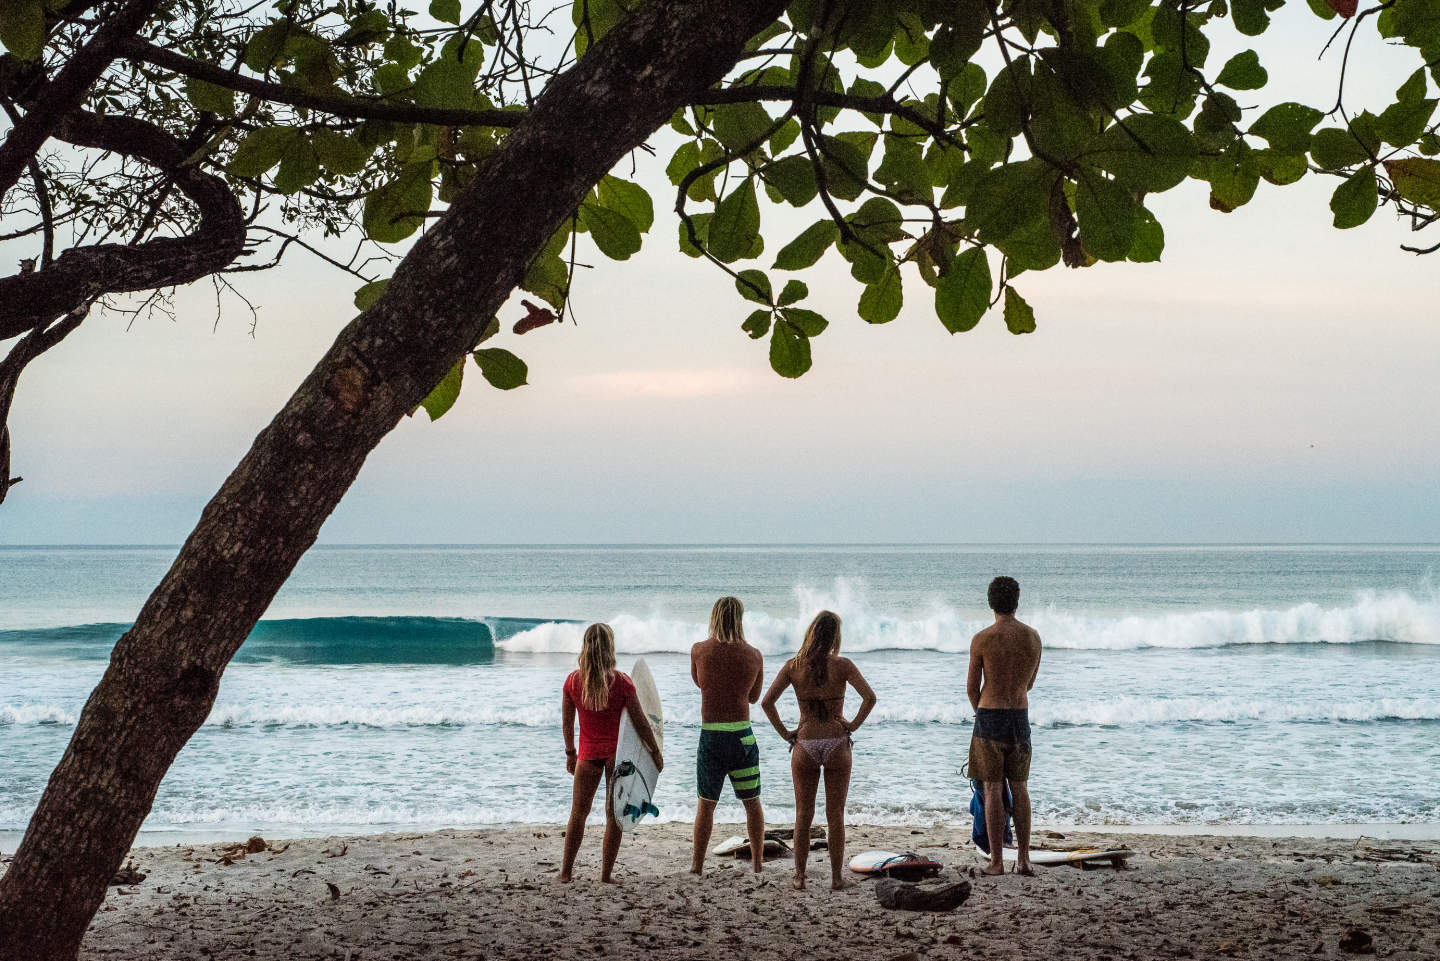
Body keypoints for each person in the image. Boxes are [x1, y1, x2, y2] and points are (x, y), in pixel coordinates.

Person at [761, 610, 876, 890]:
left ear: (811, 633)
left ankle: (799, 878)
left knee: (803, 814)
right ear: (835, 636)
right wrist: (852, 726)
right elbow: (869, 698)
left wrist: (786, 733)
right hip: (837, 741)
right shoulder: (843, 666)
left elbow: (767, 703)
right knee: (835, 814)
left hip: (806, 742)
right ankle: (836, 879)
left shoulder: (793, 666)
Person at [557, 622, 662, 883]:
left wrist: (570, 753)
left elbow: (567, 722)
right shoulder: (623, 683)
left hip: (587, 755)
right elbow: (641, 724)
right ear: (609, 648)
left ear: (586, 647)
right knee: (613, 816)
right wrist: (655, 752)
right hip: (618, 756)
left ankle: (566, 873)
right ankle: (605, 875)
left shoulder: (572, 681)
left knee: (578, 813)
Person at [967, 575, 1042, 876]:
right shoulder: (1033, 637)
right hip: (1019, 717)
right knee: (1020, 788)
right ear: (1016, 602)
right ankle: (1023, 859)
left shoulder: (982, 638)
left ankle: (997, 861)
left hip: (990, 716)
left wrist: (979, 712)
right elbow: (1030, 683)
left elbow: (972, 688)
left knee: (993, 788)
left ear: (990, 602)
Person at [689, 596, 766, 875]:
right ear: (740, 619)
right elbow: (755, 697)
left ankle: (697, 867)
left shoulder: (699, 650)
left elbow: (700, 683)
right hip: (742, 738)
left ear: (714, 617)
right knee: (752, 802)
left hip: (711, 737)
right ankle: (757, 864)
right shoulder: (754, 655)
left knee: (706, 806)